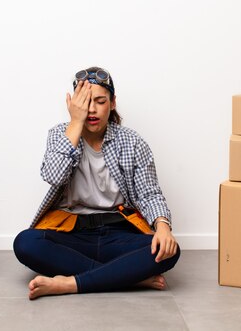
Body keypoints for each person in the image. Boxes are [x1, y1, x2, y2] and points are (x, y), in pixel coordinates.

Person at [13, 66, 180, 300]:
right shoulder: (60, 135)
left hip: (118, 231)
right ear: (74, 104)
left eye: (100, 101)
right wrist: (75, 122)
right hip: (73, 231)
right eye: (85, 102)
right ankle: (126, 277)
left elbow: (150, 194)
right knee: (25, 243)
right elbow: (54, 175)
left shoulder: (131, 142)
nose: (91, 109)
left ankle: (70, 283)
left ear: (112, 103)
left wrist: (163, 227)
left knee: (169, 251)